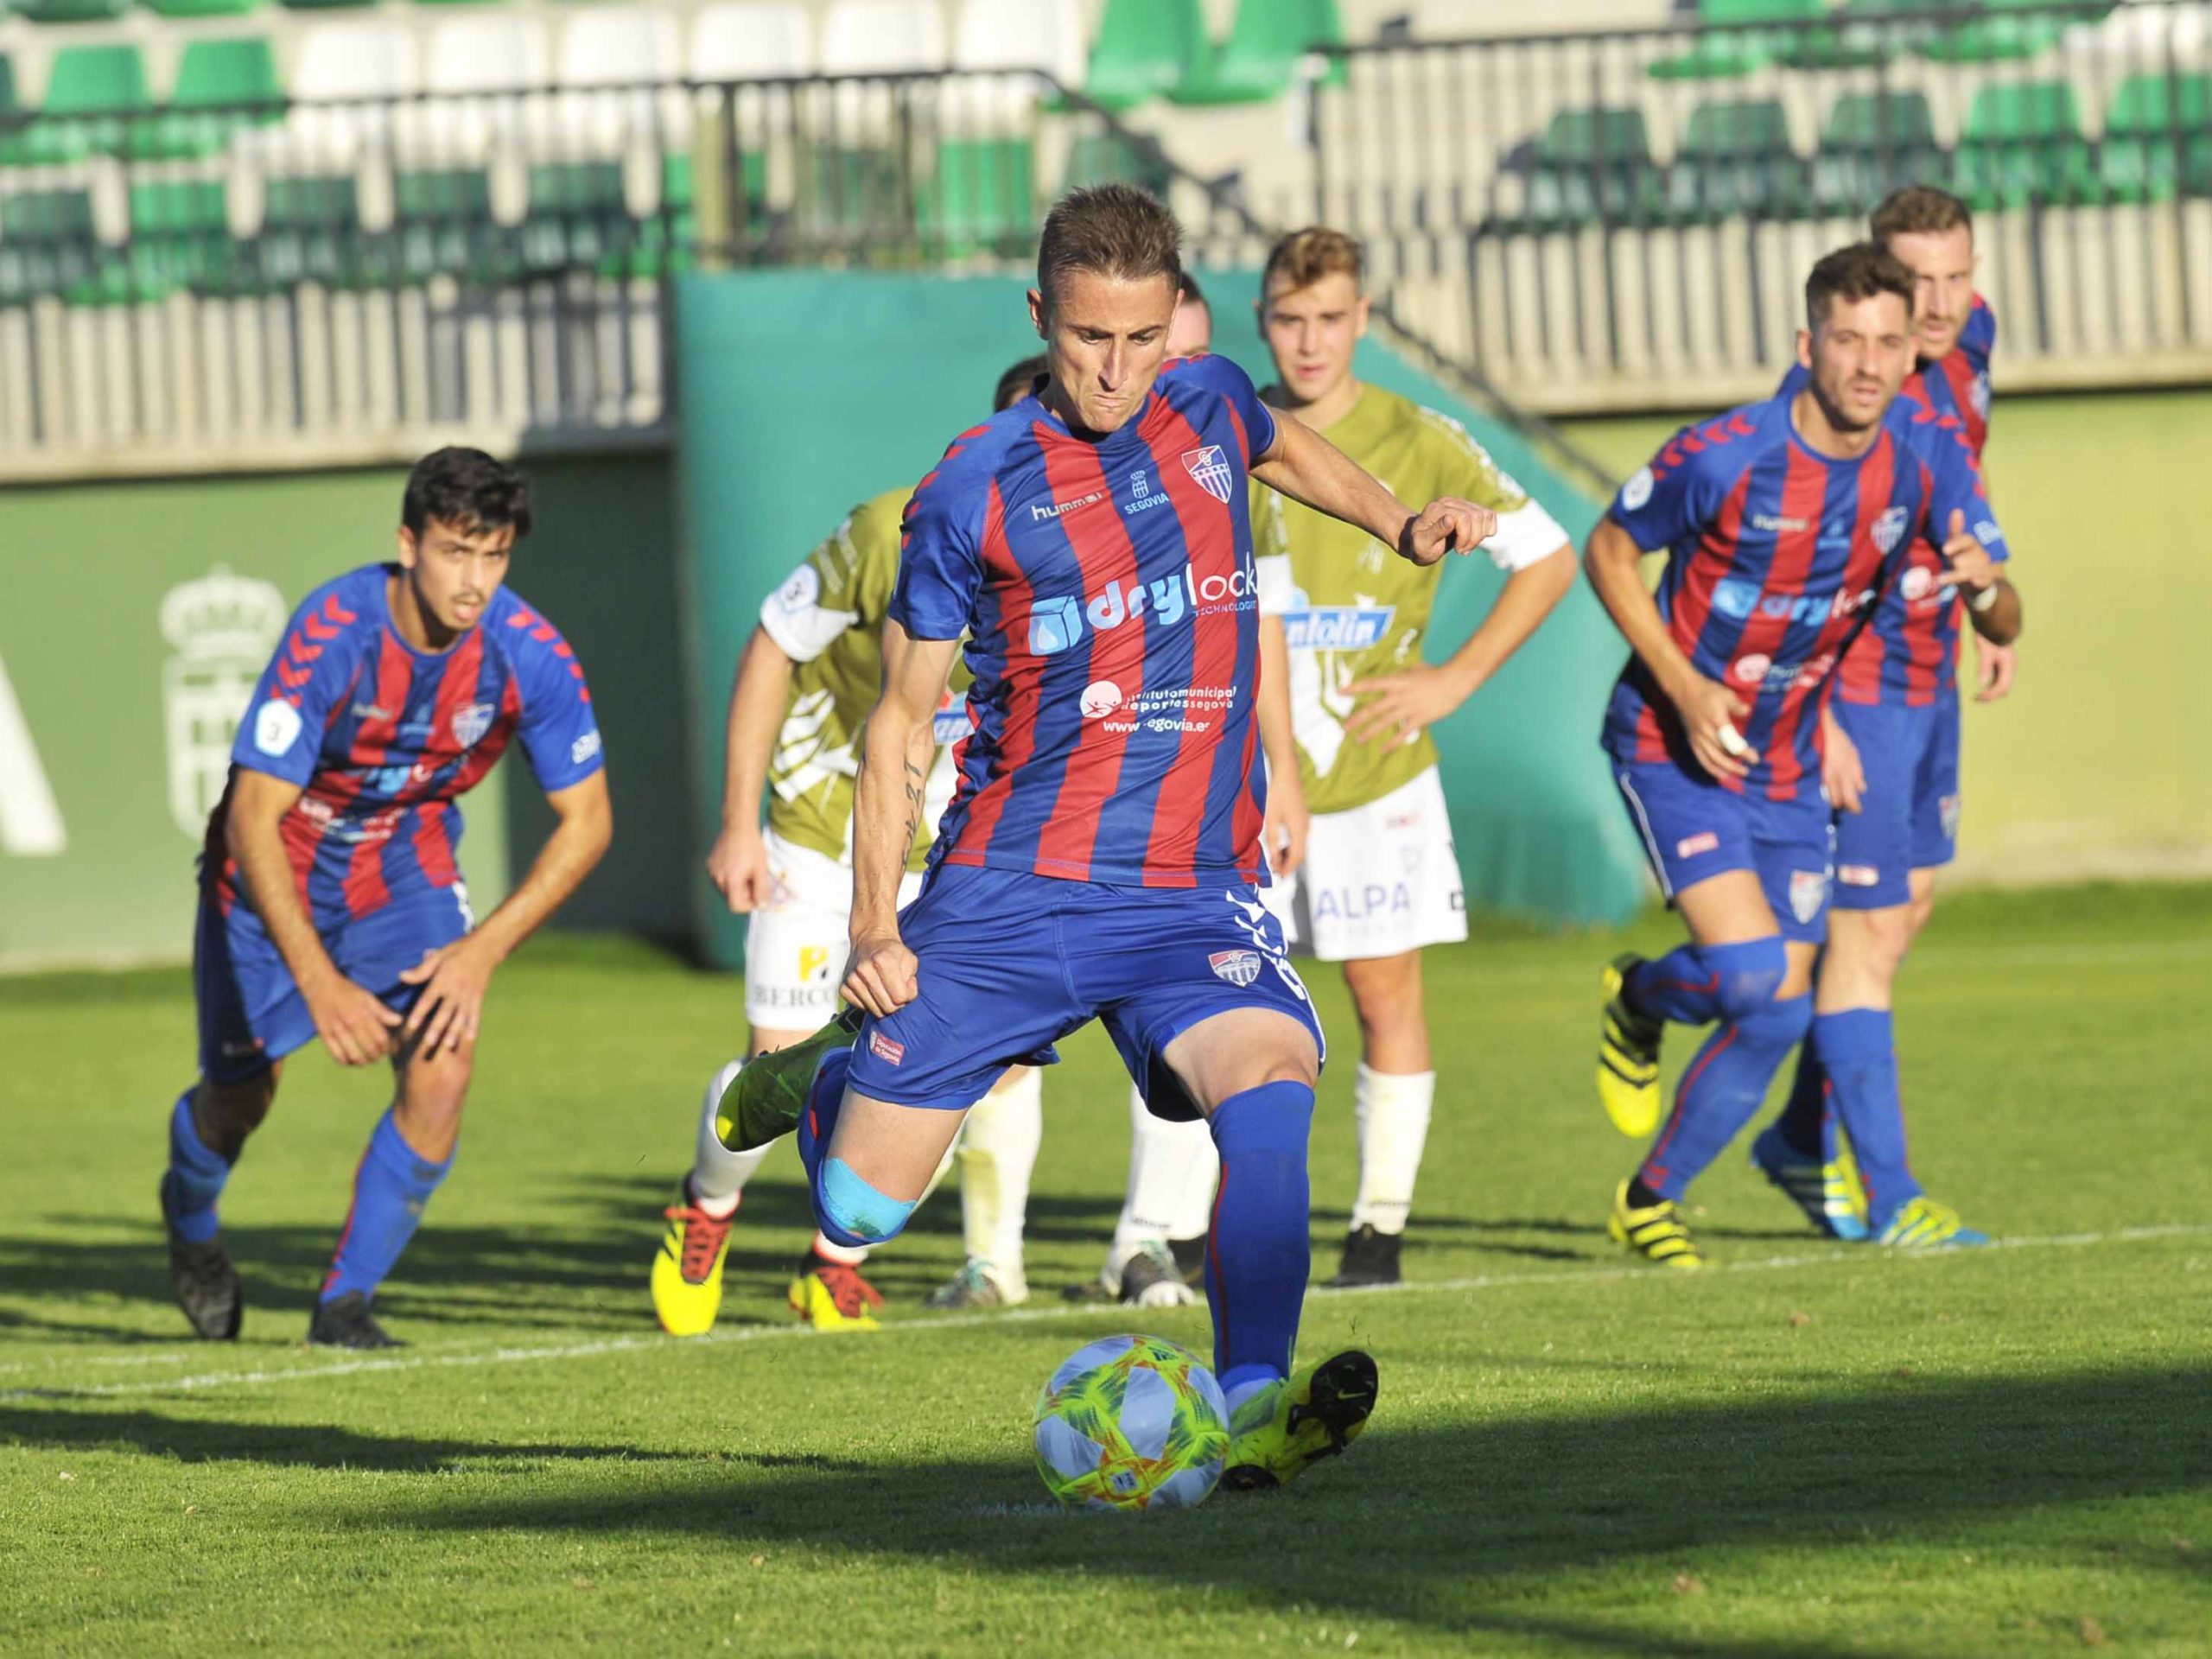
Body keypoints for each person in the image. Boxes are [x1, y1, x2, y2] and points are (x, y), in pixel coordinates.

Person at [715, 183, 1497, 1489]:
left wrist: (1395, 523)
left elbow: (1289, 456)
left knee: (1269, 1088)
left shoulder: (1209, 401)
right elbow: (899, 724)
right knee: (855, 1214)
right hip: (1006, 894)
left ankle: (1255, 1406)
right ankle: (829, 1069)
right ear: (1041, 315)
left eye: (1141, 341)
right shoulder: (970, 490)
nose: (1116, 372)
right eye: (1088, 341)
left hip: (1188, 896)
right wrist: (870, 928)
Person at [1586, 244, 2010, 1268]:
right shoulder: (1726, 454)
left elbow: (2004, 606)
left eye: (1887, 344)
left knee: (1778, 1010)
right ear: (1804, 345)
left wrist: (1985, 589)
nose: (1867, 364)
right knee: (1751, 974)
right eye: (1847, 340)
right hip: (1672, 741)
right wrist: (1685, 688)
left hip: (1784, 763)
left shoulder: (1923, 458)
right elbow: (1607, 548)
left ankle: (1647, 1201)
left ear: (1914, 354)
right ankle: (1640, 995)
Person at [161, 448, 613, 1348]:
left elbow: (589, 822)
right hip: (268, 878)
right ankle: (192, 1226)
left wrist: (480, 951)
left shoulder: (529, 653)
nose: (475, 580)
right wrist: (324, 986)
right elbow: (253, 816)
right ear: (407, 544)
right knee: (238, 1100)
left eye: (494, 556)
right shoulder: (334, 631)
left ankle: (343, 1305)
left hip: (399, 871)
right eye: (456, 552)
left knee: (444, 1060)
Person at [650, 358, 1052, 1337]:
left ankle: (830, 1265)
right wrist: (739, 819)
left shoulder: (1083, 556)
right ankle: (704, 1210)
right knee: (780, 1066)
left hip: (953, 850)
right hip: (823, 829)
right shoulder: (890, 530)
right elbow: (771, 645)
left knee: (974, 1068)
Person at [1249, 225, 1576, 1287]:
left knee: (1384, 999)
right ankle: (1205, 1229)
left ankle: (1376, 1231)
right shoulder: (1227, 428)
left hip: (1375, 774)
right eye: (1289, 319)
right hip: (1238, 783)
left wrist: (1455, 679)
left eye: (1329, 319)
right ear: (1262, 320)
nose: (1308, 342)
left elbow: (1546, 554)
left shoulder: (1419, 437)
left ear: (1363, 322)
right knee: (1219, 1008)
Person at [1751, 186, 2023, 1242]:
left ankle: (1794, 1138)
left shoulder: (1970, 342)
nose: (1945, 299)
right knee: (1858, 940)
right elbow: (1791, 556)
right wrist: (1809, 709)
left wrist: (1983, 613)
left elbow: (1962, 483)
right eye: (1919, 282)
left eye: (1958, 275)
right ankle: (1894, 1195)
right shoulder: (1838, 398)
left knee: (1898, 919)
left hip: (1929, 671)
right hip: (1855, 686)